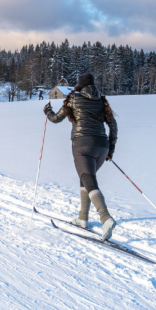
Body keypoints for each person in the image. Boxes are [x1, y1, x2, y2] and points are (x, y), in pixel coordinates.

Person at [43, 74, 119, 241]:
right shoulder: (101, 100)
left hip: (82, 145)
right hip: (102, 146)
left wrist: (47, 111)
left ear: (79, 86)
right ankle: (82, 218)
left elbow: (56, 119)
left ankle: (105, 218)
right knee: (85, 178)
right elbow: (113, 126)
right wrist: (110, 149)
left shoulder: (73, 99)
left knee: (89, 180)